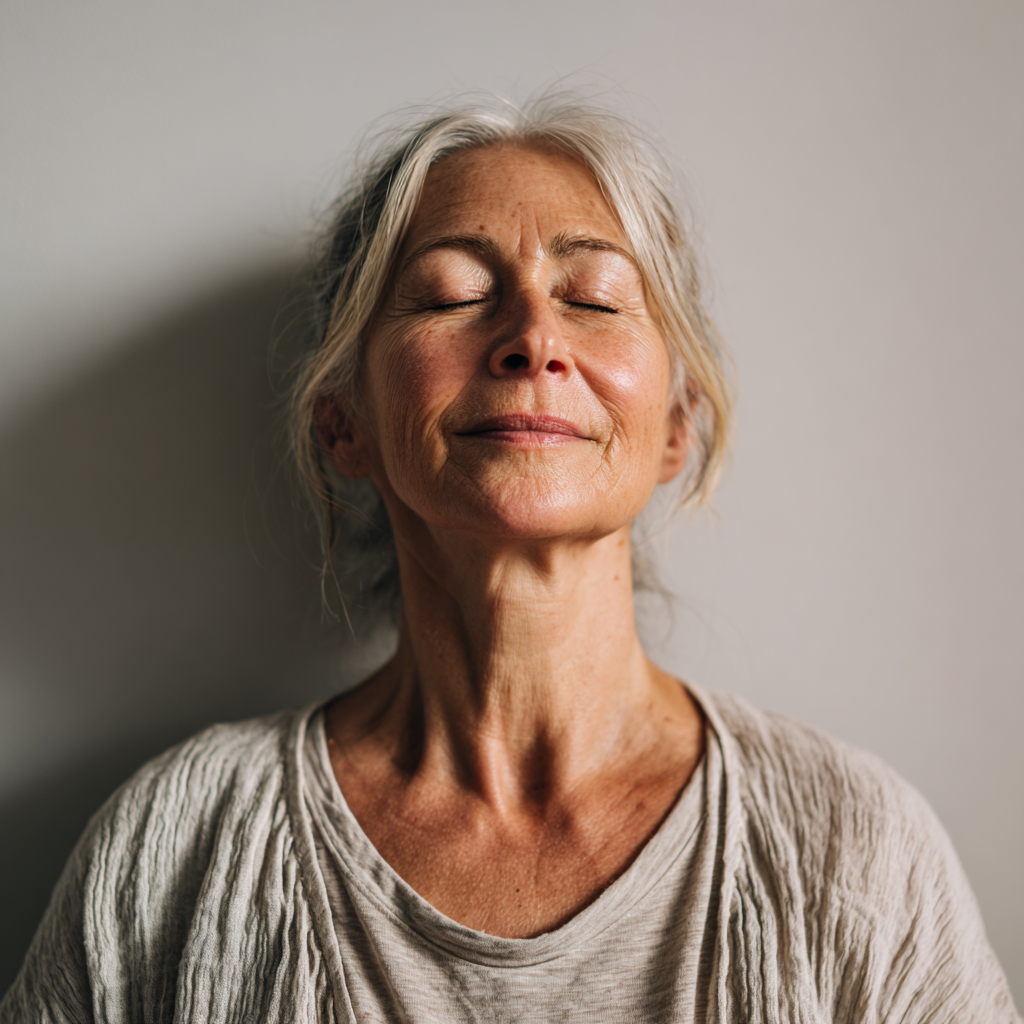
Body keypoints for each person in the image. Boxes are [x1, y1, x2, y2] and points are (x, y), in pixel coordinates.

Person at [2, 96, 1018, 1023]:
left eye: (595, 297)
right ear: (342, 423)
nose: (533, 337)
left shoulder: (853, 848)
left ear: (676, 425)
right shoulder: (177, 847)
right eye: (449, 295)